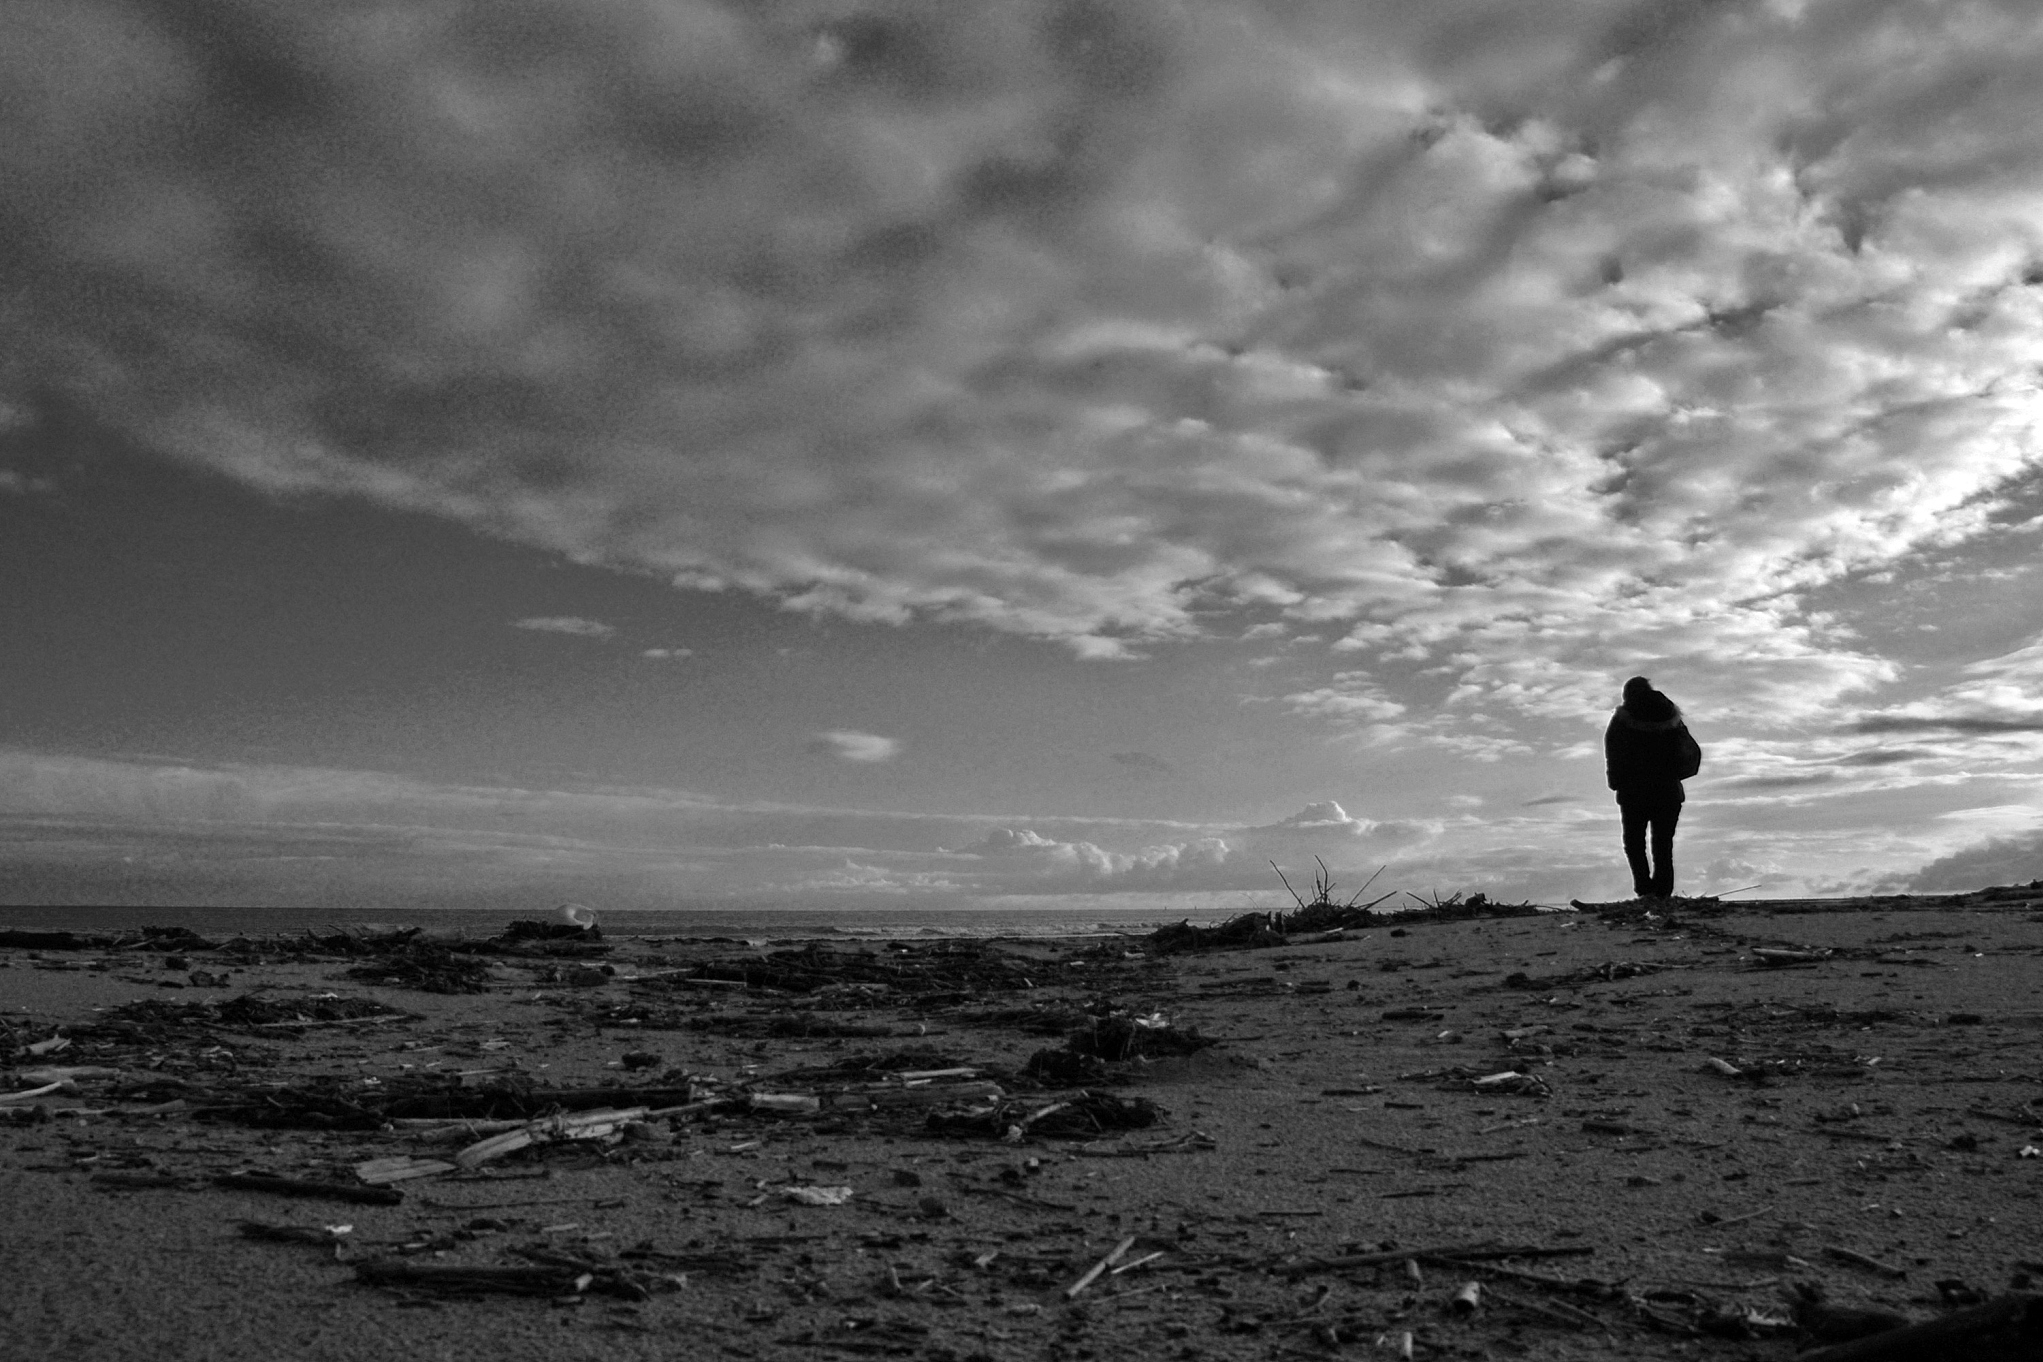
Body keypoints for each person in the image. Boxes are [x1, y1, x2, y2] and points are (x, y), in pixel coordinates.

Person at [1604, 676, 1702, 899]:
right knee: (1663, 843)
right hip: (1668, 790)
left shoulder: (1621, 720)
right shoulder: (1672, 717)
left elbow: (1613, 752)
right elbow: (1686, 749)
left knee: (1634, 842)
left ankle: (1644, 889)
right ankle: (1663, 891)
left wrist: (1615, 781)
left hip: (1633, 791)